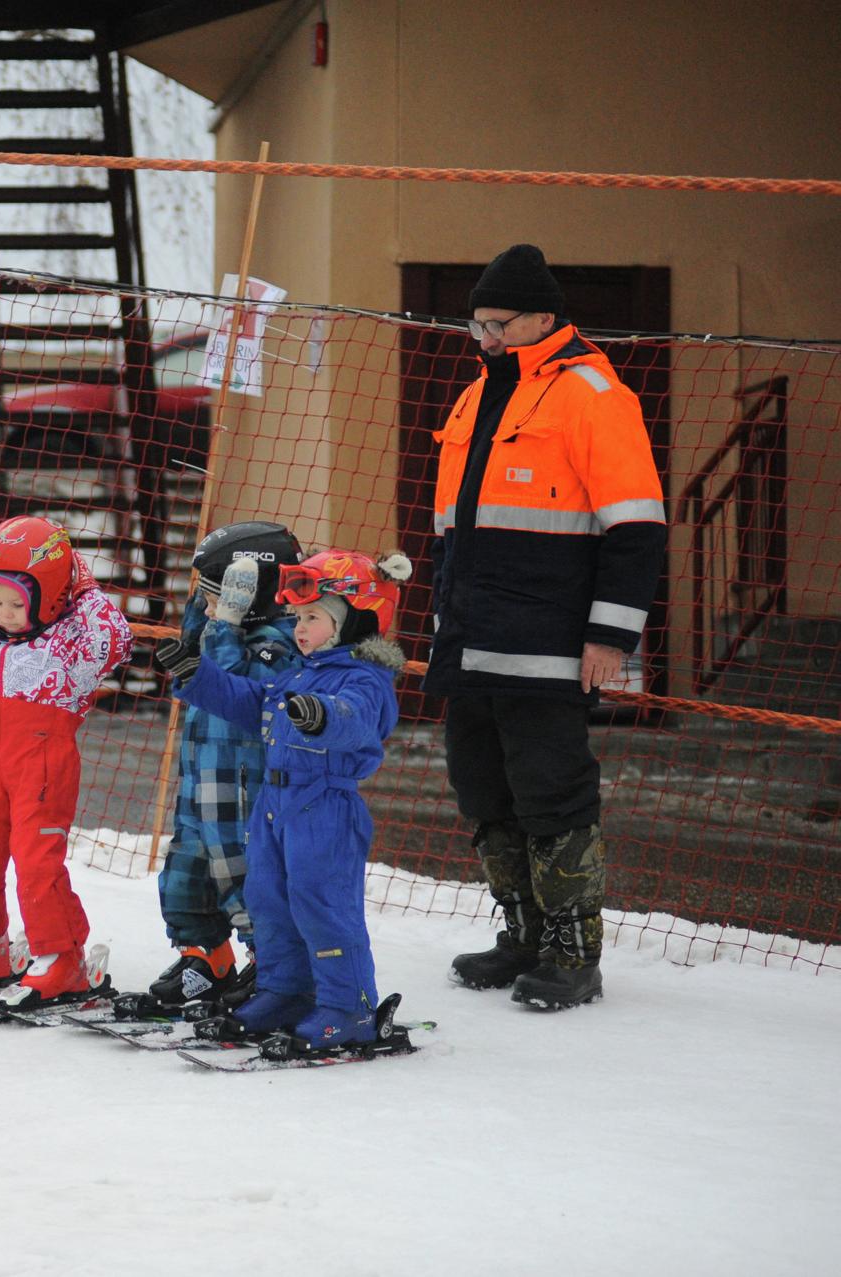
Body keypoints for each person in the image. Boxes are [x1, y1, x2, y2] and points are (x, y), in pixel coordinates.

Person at [429, 244, 665, 1011]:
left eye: (497, 324)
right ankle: (524, 932)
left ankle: (572, 950)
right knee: (482, 787)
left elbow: (637, 527)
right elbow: (454, 531)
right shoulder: (473, 398)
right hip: (470, 638)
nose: (485, 339)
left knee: (551, 792)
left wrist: (610, 638)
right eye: (477, 327)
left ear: (543, 317)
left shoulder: (594, 394)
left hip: (550, 645)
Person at [168, 549, 412, 1052]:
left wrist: (322, 715)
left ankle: (349, 1008)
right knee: (269, 900)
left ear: (354, 621)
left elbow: (358, 716)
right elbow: (248, 702)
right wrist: (197, 674)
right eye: (298, 618)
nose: (300, 628)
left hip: (324, 806)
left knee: (321, 904)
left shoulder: (363, 677)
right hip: (275, 803)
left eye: (313, 618)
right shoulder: (298, 672)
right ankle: (285, 991)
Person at [0, 517, 135, 1010]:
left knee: (37, 864)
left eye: (19, 603)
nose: (7, 613)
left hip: (41, 765)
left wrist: (81, 584)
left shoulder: (68, 646)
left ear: (53, 596)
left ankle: (62, 958)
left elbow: (115, 639)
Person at [128, 521, 304, 1017]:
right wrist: (209, 616)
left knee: (249, 883)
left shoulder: (281, 640)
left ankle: (273, 968)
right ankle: (205, 960)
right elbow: (194, 656)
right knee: (185, 880)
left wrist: (224, 625)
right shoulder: (214, 630)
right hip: (199, 788)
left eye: (217, 597)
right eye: (204, 598)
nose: (208, 608)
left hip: (244, 793)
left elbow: (239, 692)